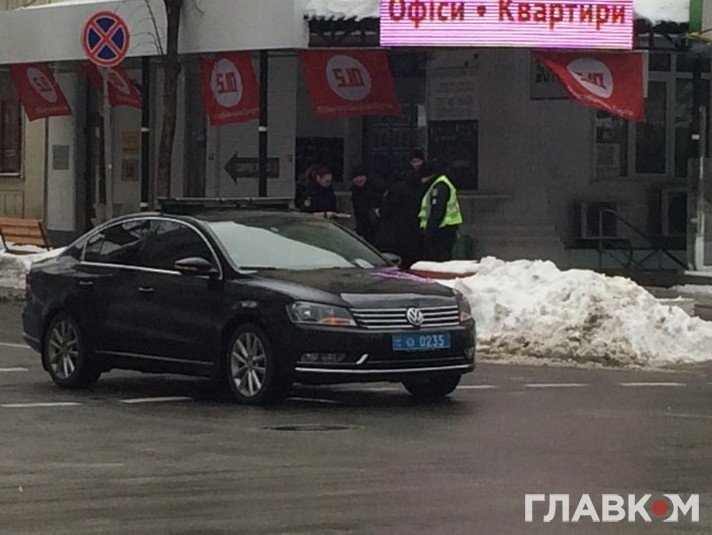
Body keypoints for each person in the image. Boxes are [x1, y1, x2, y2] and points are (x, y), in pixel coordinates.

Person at [375, 165, 423, 268]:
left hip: (395, 232)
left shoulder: (396, 188)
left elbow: (387, 209)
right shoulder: (418, 189)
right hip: (413, 230)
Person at [418, 161, 463, 262]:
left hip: (441, 230)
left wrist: (430, 231)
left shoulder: (439, 186)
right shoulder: (439, 183)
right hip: (445, 228)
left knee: (438, 261)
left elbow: (438, 211)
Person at [350, 165, 383, 245]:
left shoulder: (376, 187)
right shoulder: (355, 191)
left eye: (361, 176)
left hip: (377, 224)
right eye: (356, 177)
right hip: (364, 223)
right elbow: (357, 211)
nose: (358, 179)